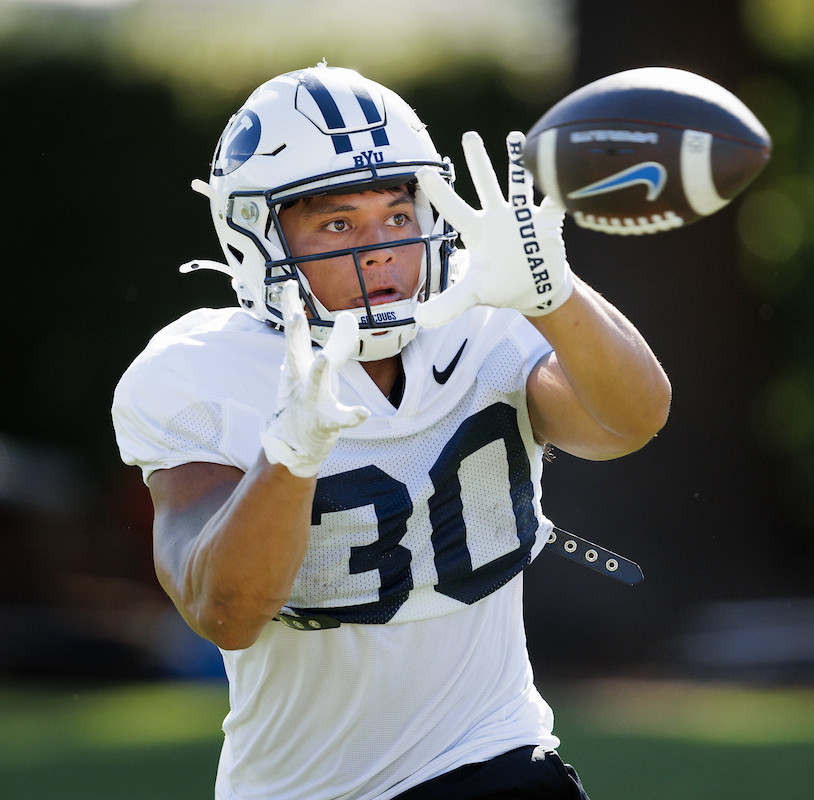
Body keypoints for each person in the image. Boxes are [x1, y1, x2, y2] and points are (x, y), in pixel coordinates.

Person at [111, 64, 670, 800]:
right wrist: (290, 454)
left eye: (398, 216)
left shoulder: (485, 306)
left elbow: (630, 421)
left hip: (495, 756)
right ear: (255, 237)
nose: (379, 250)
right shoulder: (200, 371)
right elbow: (225, 613)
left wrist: (554, 295)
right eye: (338, 222)